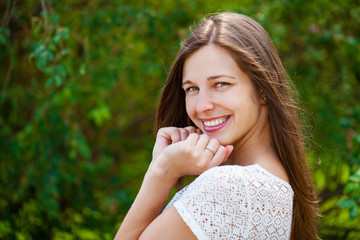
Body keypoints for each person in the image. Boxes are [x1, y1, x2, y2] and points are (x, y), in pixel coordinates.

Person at [115, 12, 319, 240]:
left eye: (221, 84)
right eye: (191, 88)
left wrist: (162, 171)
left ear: (264, 87)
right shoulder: (272, 185)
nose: (202, 106)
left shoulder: (229, 188)